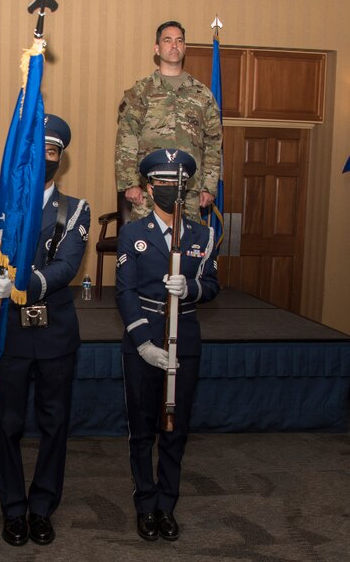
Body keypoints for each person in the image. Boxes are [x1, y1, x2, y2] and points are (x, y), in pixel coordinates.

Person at [0, 115, 90, 546]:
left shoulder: (75, 209)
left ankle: (42, 506)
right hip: (10, 335)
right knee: (9, 423)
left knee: (55, 423)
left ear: (60, 159)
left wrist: (22, 284)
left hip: (55, 331)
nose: (43, 159)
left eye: (51, 153)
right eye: (35, 152)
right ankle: (13, 508)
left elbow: (66, 267)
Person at [115, 148, 219, 542]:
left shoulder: (203, 235)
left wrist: (191, 287)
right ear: (147, 187)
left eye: (176, 184)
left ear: (186, 188)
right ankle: (145, 504)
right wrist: (142, 342)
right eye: (160, 183)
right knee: (141, 428)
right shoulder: (132, 234)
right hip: (144, 336)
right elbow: (124, 293)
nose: (168, 189)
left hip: (185, 338)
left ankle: (166, 505)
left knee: (175, 428)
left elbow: (212, 285)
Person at [115, 21, 222, 222]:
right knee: (146, 248)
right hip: (149, 193)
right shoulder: (141, 92)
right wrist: (130, 183)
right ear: (157, 49)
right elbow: (127, 138)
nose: (174, 45)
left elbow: (213, 143)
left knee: (189, 249)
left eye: (179, 40)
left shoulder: (202, 95)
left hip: (189, 192)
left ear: (185, 48)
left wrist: (209, 187)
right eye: (167, 40)